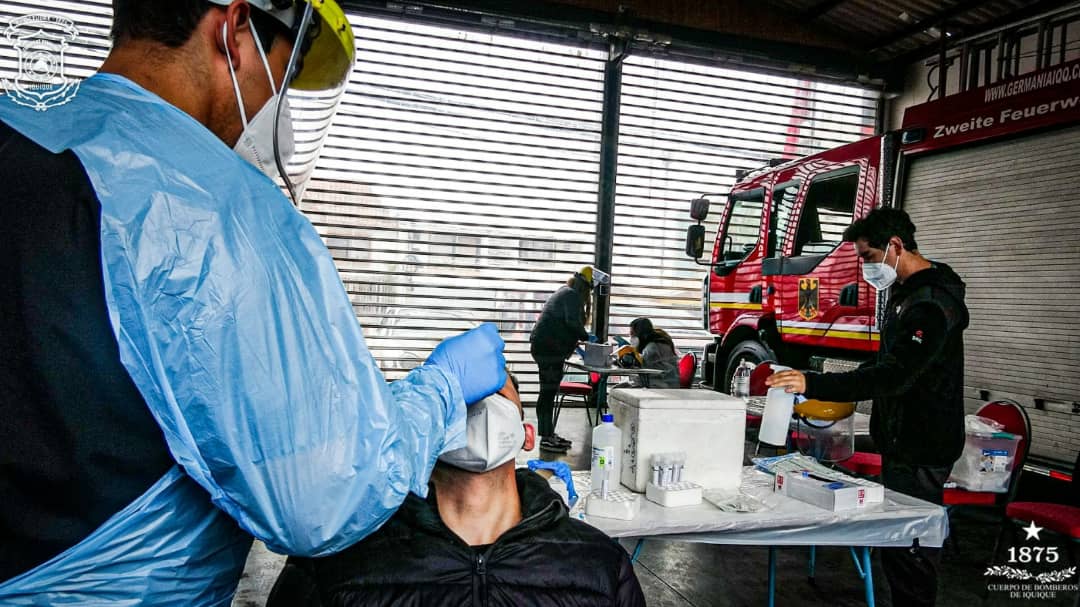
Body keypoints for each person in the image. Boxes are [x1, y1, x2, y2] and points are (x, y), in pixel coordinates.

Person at [0, 1, 507, 603]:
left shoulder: (17, 133)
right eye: (281, 76)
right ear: (235, 28)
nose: (276, 108)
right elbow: (319, 497)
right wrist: (441, 389)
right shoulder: (213, 208)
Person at [267, 375, 647, 607]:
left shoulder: (599, 566)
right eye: (456, 393)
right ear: (420, 427)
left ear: (525, 434)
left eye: (494, 391)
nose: (476, 404)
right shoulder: (337, 564)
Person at [766, 207, 968, 607]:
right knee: (896, 543)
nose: (865, 268)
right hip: (901, 439)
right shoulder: (906, 294)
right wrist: (813, 375)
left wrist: (815, 383)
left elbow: (894, 375)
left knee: (912, 547)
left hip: (923, 444)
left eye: (868, 257)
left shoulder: (932, 303)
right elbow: (882, 363)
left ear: (895, 245)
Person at [529, 266, 601, 453]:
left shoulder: (565, 291)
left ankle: (548, 434)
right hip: (548, 350)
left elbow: (561, 325)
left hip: (546, 347)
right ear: (586, 286)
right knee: (548, 394)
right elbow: (572, 322)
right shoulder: (571, 296)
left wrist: (576, 341)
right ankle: (546, 437)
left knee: (548, 394)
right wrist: (586, 337)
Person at [629, 317, 681, 388]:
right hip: (664, 381)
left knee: (620, 388)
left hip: (664, 385)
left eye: (632, 334)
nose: (631, 337)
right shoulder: (657, 342)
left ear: (641, 334)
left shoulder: (652, 348)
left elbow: (641, 366)